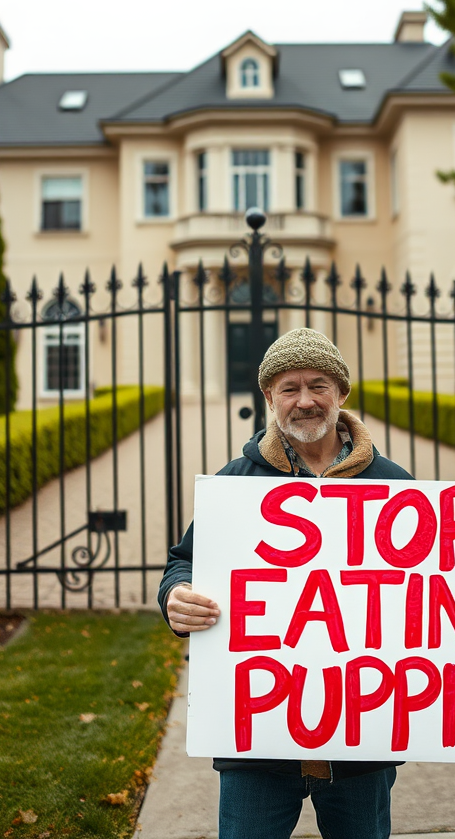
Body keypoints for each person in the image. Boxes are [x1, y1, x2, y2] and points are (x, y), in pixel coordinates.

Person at [158, 327, 413, 839]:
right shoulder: (234, 484)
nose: (304, 401)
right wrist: (176, 596)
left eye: (317, 385)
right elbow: (183, 563)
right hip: (257, 741)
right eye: (289, 388)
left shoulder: (393, 484)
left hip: (360, 738)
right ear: (269, 398)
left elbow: (428, 589)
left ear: (341, 394)